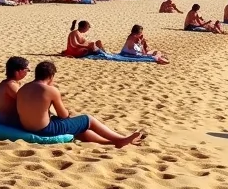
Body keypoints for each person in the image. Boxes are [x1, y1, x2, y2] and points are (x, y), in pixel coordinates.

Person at [16, 61, 144, 147]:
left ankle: (110, 142)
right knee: (88, 119)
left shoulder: (23, 88)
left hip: (26, 127)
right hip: (45, 130)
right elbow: (63, 115)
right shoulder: (50, 90)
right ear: (51, 76)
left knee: (78, 127)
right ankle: (120, 139)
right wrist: (68, 113)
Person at [0, 56, 29, 127]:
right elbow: (26, 102)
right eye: (26, 70)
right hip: (8, 121)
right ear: (18, 71)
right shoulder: (10, 85)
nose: (27, 72)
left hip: (6, 118)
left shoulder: (10, 83)